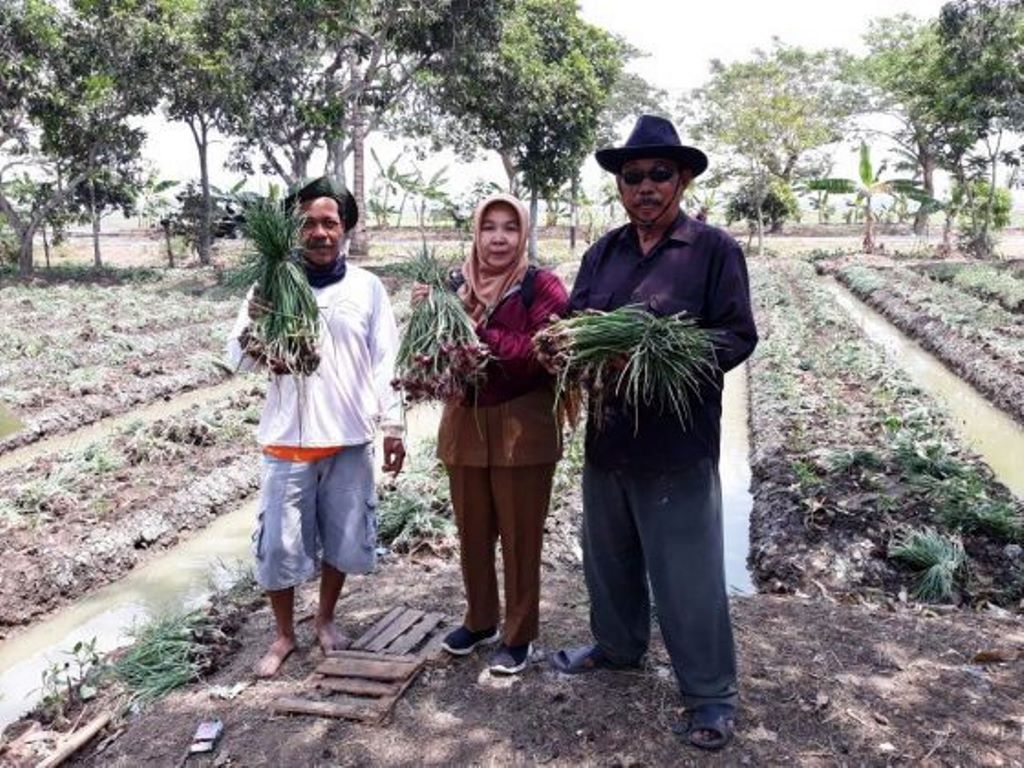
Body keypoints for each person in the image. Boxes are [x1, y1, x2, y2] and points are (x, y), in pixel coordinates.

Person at [548, 115, 758, 751]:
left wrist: (658, 354)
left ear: (683, 178)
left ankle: (710, 696)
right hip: (609, 439)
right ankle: (618, 649)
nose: (644, 186)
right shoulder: (602, 253)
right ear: (619, 186)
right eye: (631, 176)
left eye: (658, 175)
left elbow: (737, 334)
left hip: (677, 445)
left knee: (687, 577)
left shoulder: (713, 250)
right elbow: (576, 322)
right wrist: (576, 348)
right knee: (608, 560)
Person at [226, 176, 406, 678]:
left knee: (343, 539)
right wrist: (253, 325)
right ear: (293, 230)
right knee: (278, 545)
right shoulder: (271, 283)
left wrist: (394, 426)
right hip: (287, 440)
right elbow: (236, 360)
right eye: (308, 223)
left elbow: (385, 361)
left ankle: (324, 618)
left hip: (349, 437)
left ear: (346, 228)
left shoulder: (367, 288)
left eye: (331, 222)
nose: (320, 232)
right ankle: (284, 634)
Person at [414, 193, 568, 675]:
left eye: (509, 228)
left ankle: (519, 634)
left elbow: (541, 351)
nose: (498, 238)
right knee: (473, 531)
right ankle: (480, 619)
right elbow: (432, 350)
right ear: (475, 233)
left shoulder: (542, 286)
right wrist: (428, 313)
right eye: (488, 227)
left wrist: (475, 330)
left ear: (523, 235)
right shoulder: (453, 282)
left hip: (523, 422)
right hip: (464, 421)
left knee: (521, 536)